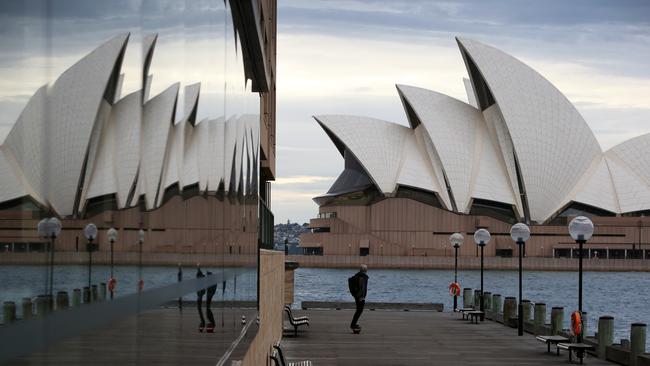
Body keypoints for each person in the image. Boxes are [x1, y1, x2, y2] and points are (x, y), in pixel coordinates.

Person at [350, 264, 369, 330]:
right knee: (359, 310)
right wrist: (362, 297)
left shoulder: (357, 275)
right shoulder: (363, 277)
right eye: (366, 269)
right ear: (365, 270)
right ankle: (353, 324)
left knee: (358, 310)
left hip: (356, 295)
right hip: (360, 296)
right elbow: (362, 288)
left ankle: (353, 324)